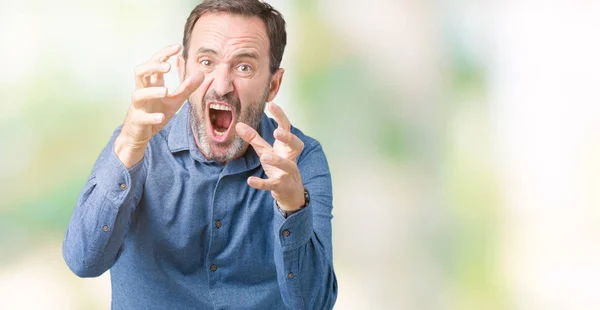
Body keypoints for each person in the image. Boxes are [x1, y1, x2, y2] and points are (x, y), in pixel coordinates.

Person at [62, 0, 337, 309]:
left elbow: (314, 304)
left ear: (273, 85)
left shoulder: (301, 159)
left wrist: (292, 206)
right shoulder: (139, 143)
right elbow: (83, 262)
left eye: (244, 67)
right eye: (206, 62)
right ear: (182, 70)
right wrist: (129, 145)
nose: (221, 86)